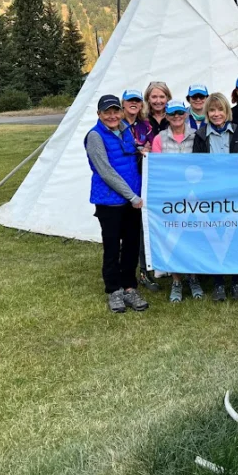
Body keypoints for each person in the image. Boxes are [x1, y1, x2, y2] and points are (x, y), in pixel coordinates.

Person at [84, 95, 149, 313]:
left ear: (121, 112)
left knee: (131, 244)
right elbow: (105, 171)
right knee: (112, 246)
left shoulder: (124, 130)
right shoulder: (95, 136)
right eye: (107, 112)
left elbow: (130, 157)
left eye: (115, 111)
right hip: (111, 201)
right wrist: (131, 196)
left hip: (132, 200)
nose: (112, 116)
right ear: (99, 114)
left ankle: (129, 286)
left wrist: (143, 152)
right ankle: (114, 289)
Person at [193, 92, 238, 301]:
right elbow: (197, 166)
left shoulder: (237, 131)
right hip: (212, 193)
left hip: (234, 191)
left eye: (220, 110)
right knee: (215, 237)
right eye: (212, 110)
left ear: (227, 111)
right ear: (207, 113)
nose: (216, 114)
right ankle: (217, 283)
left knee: (235, 236)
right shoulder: (201, 134)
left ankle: (237, 281)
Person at [151, 99, 203, 303]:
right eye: (172, 114)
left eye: (180, 113)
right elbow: (157, 167)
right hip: (171, 195)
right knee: (173, 238)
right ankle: (176, 281)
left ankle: (193, 277)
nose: (176, 117)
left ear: (186, 114)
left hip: (193, 195)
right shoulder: (159, 138)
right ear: (166, 115)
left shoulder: (196, 135)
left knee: (192, 238)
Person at [121, 88, 159, 292]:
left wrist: (147, 150)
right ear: (123, 103)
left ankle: (144, 271)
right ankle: (125, 272)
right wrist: (138, 149)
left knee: (142, 228)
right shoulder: (117, 125)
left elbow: (153, 147)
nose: (133, 104)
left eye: (136, 101)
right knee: (127, 231)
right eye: (129, 101)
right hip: (124, 181)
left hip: (143, 181)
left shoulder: (146, 125)